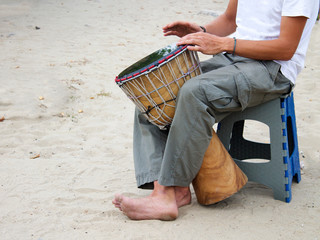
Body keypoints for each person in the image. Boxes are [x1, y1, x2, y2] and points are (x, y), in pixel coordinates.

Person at [113, 0, 319, 221]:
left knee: (195, 92)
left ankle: (167, 192)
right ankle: (171, 192)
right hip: (233, 57)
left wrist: (223, 44)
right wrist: (202, 32)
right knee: (153, 94)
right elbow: (230, 19)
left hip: (273, 69)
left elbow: (286, 48)